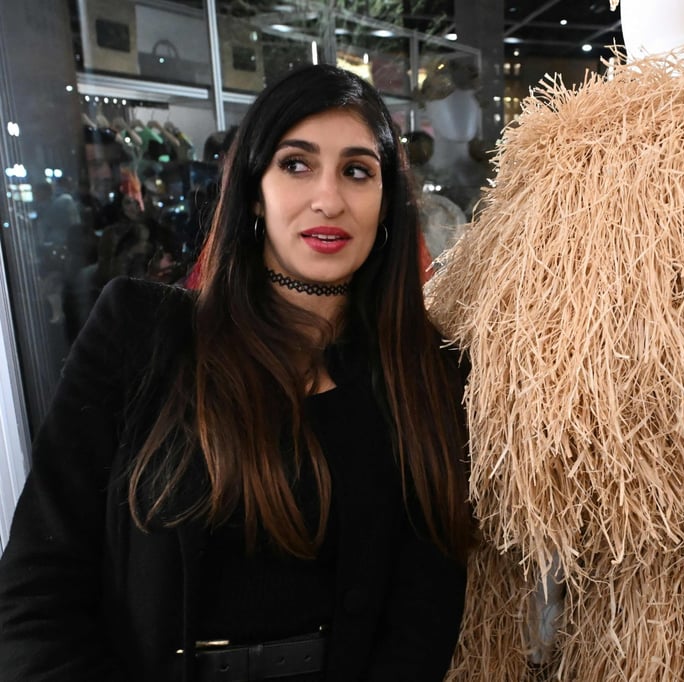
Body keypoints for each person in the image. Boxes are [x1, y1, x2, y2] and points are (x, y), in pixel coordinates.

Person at [0, 64, 475, 681]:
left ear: (386, 205)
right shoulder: (141, 334)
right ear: (254, 188)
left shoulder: (424, 371)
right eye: (296, 164)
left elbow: (423, 620)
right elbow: (37, 592)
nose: (328, 198)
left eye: (357, 171)